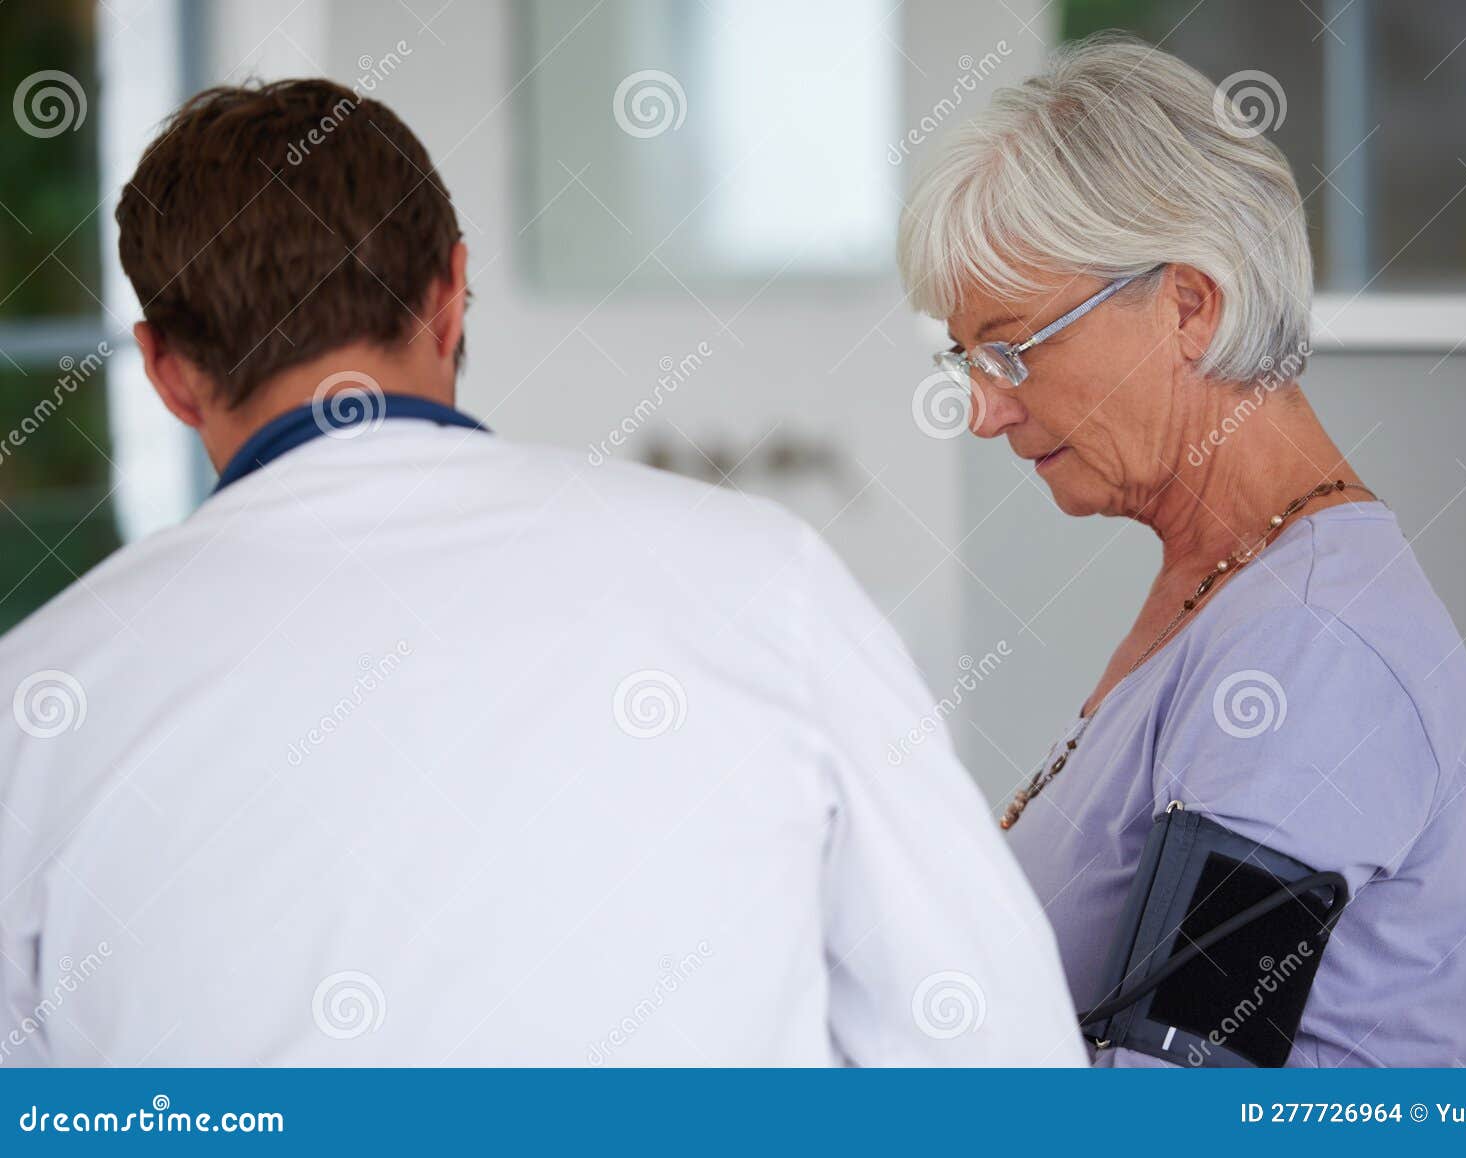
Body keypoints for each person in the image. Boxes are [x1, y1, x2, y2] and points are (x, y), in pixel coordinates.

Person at [0, 79, 1082, 1067]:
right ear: (452, 292)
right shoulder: (761, 580)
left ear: (164, 372)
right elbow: (994, 1053)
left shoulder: (37, 698)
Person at [896, 34, 1466, 1066]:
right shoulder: (1222, 589)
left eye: (1009, 350)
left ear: (1188, 304)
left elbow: (1179, 1096)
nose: (983, 411)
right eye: (967, 359)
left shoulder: (1312, 647)